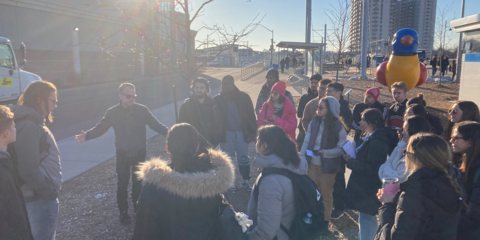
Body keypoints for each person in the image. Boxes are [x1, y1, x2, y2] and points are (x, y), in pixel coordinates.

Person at [75, 82, 169, 224]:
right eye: (128, 96)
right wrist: (86, 135)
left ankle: (137, 206)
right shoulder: (112, 112)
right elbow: (100, 128)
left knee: (138, 181)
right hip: (122, 153)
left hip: (139, 151)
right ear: (119, 95)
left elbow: (155, 125)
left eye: (134, 96)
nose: (131, 99)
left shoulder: (142, 110)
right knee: (122, 183)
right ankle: (123, 212)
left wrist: (170, 133)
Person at [133, 123, 234, 240]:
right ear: (197, 147)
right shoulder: (216, 179)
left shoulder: (153, 186)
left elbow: (143, 231)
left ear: (167, 148)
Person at [376, 133, 464, 240]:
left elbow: (397, 236)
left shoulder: (416, 192)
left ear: (415, 158)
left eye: (406, 153)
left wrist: (387, 205)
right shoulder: (454, 183)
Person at [9, 81, 61, 240]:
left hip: (36, 199)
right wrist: (49, 191)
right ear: (40, 100)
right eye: (53, 101)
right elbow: (27, 169)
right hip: (38, 200)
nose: (55, 106)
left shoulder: (26, 122)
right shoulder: (29, 126)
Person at [247, 125, 308, 240]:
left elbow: (266, 231)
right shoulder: (292, 164)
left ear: (264, 145)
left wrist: (247, 237)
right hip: (292, 230)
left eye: (258, 139)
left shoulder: (271, 181)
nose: (255, 142)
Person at [343, 109, 394, 240]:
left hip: (368, 187)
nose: (360, 122)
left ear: (373, 122)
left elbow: (371, 168)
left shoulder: (377, 142)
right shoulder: (369, 137)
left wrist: (351, 162)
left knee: (367, 217)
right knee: (365, 217)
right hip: (363, 185)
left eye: (363, 119)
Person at [300, 97, 347, 221]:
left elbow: (341, 148)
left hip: (328, 166)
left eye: (321, 107)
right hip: (312, 164)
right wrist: (302, 158)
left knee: (326, 195)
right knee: (312, 193)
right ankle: (313, 219)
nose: (318, 109)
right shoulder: (314, 122)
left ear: (330, 109)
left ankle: (325, 222)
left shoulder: (338, 126)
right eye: (317, 107)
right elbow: (306, 141)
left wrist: (325, 153)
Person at [214, 75, 257, 191]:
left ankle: (246, 181)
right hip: (226, 134)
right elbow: (213, 119)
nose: (223, 87)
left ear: (233, 85)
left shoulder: (244, 97)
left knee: (243, 158)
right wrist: (217, 134)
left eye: (226, 85)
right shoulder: (217, 99)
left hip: (242, 133)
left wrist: (253, 131)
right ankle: (229, 184)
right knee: (227, 160)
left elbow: (251, 115)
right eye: (222, 85)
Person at [0, 106, 33, 240]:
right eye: (14, 127)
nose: (16, 130)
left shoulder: (5, 160)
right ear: (6, 133)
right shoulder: (2, 170)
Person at [326, 82, 353, 220]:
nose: (327, 93)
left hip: (338, 149)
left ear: (339, 93)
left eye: (330, 91)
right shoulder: (325, 106)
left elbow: (345, 130)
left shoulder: (345, 110)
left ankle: (339, 206)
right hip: (326, 149)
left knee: (338, 178)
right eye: (326, 90)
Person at [378, 116, 431, 184]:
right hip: (388, 191)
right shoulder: (401, 145)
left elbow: (399, 180)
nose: (402, 132)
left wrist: (386, 170)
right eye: (403, 129)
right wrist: (391, 173)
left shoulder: (420, 156)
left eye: (406, 129)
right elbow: (385, 166)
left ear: (415, 130)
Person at [450, 121, 480, 239]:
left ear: (470, 142)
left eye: (456, 138)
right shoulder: (462, 162)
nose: (451, 141)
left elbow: (474, 211)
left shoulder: (477, 169)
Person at [178, 78, 217, 146]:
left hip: (210, 143)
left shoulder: (213, 104)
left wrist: (215, 142)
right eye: (196, 87)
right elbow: (181, 126)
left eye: (201, 88)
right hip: (192, 144)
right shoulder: (186, 105)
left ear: (206, 90)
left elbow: (217, 123)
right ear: (193, 89)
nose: (199, 90)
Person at [296, 74, 320, 151]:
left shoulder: (323, 99)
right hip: (303, 130)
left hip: (318, 131)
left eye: (316, 83)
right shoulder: (304, 98)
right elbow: (299, 114)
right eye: (311, 82)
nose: (313, 85)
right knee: (301, 151)